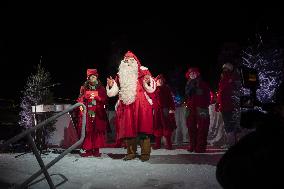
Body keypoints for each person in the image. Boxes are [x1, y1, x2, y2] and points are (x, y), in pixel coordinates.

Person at [106, 50, 156, 161]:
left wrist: (148, 81)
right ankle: (131, 153)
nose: (128, 62)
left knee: (143, 129)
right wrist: (111, 85)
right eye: (126, 60)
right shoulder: (120, 74)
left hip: (141, 105)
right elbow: (114, 91)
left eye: (130, 60)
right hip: (126, 105)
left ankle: (145, 154)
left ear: (135, 61)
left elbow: (151, 88)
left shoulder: (144, 71)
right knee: (128, 129)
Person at [76, 68, 109, 157]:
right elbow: (80, 99)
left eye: (94, 76)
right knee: (89, 131)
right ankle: (89, 149)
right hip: (88, 112)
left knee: (97, 131)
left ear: (96, 77)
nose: (92, 78)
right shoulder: (84, 87)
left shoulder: (101, 88)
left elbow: (105, 99)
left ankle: (96, 149)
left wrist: (98, 98)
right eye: (90, 77)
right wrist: (81, 108)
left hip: (98, 113)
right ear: (88, 78)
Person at [184, 67, 211, 153]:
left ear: (197, 74)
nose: (192, 74)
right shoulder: (188, 85)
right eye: (191, 73)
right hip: (190, 108)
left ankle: (201, 146)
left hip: (201, 108)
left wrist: (204, 105)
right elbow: (187, 96)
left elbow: (208, 96)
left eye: (194, 73)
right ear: (189, 75)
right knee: (191, 127)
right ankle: (193, 145)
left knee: (203, 128)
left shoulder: (203, 84)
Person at [216, 62, 241, 147]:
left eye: (226, 68)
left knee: (229, 124)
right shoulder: (224, 79)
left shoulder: (230, 78)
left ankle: (231, 144)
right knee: (228, 124)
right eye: (224, 68)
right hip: (225, 106)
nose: (224, 70)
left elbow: (226, 92)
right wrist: (218, 103)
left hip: (229, 106)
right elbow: (220, 93)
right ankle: (230, 143)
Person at [152, 74, 176, 150]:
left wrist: (172, 108)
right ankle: (158, 144)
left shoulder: (166, 89)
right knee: (157, 125)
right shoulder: (153, 90)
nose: (160, 81)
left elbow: (170, 99)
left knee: (166, 125)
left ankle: (169, 144)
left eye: (161, 80)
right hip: (157, 110)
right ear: (156, 81)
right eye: (158, 80)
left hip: (165, 109)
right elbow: (152, 100)